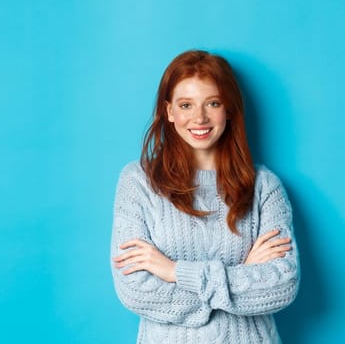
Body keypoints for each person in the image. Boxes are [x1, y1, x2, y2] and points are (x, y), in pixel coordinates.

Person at [110, 50, 299, 343]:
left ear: (229, 109)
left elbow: (282, 284)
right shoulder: (138, 182)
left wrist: (174, 271)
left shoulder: (264, 186)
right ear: (169, 111)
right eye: (186, 105)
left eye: (213, 103)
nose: (199, 118)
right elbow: (135, 290)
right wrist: (243, 275)